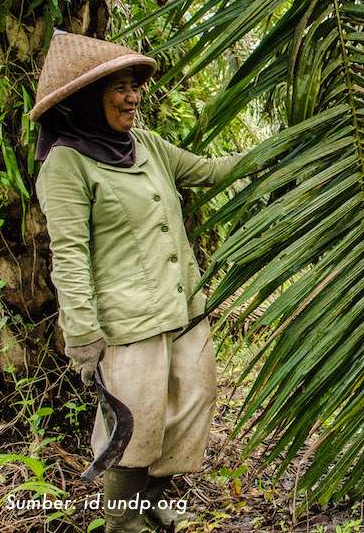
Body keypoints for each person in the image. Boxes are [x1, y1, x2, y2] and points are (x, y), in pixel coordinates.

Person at [30, 30, 245, 532]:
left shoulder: (144, 144)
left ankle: (151, 502)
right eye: (121, 88)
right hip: (127, 323)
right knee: (136, 424)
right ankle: (121, 522)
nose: (134, 97)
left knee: (189, 408)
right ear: (87, 97)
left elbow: (211, 171)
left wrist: (282, 150)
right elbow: (71, 255)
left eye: (135, 86)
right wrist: (83, 338)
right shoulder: (66, 163)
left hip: (184, 309)